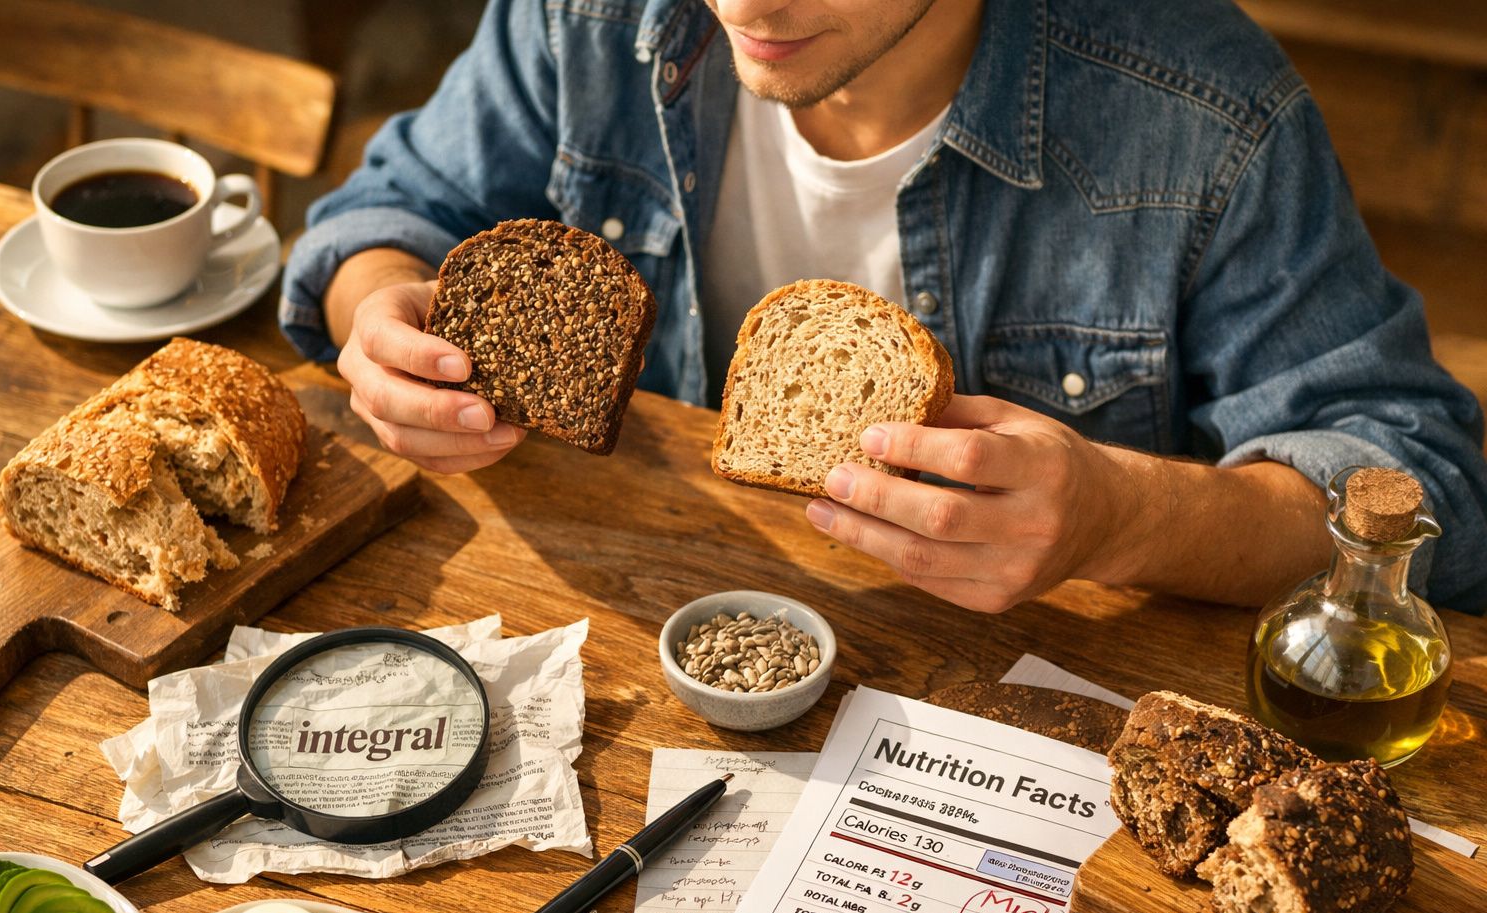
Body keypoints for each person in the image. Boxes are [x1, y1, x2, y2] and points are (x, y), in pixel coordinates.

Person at [281, 0, 1487, 614]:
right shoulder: (589, 14)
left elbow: (1419, 484)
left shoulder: (1202, 113)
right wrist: (381, 312)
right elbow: (388, 210)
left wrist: (1121, 517)